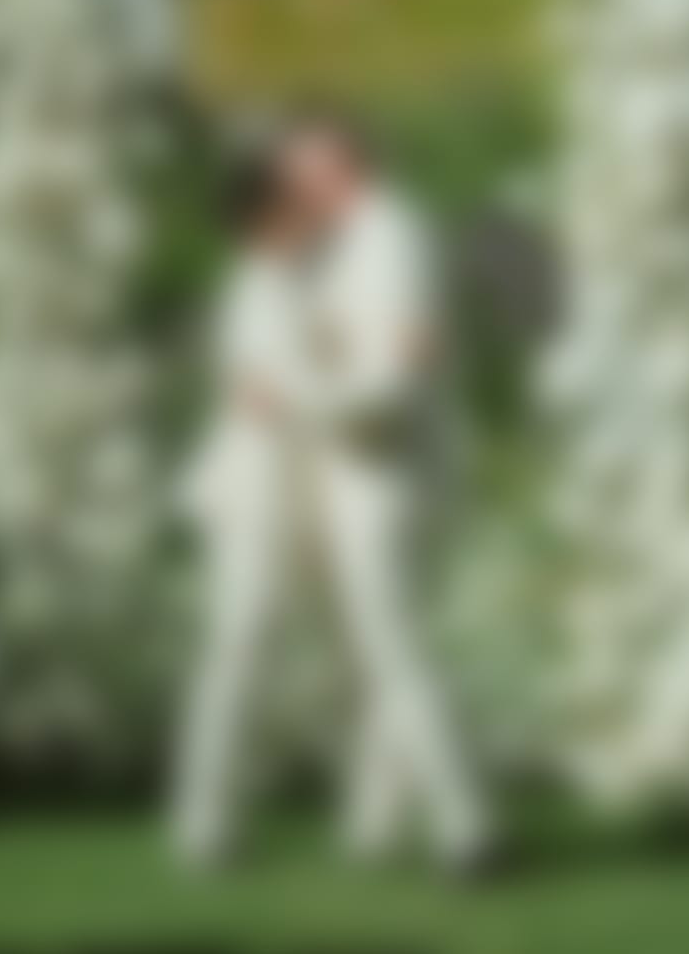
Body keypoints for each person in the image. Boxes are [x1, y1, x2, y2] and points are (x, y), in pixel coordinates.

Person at [171, 120, 491, 874]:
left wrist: (401, 361)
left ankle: (395, 825)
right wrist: (365, 379)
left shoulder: (332, 258)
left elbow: (334, 370)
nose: (303, 201)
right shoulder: (253, 287)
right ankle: (203, 819)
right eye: (286, 197)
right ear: (261, 220)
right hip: (255, 495)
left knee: (368, 650)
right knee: (240, 643)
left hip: (323, 485)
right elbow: (279, 393)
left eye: (302, 185)